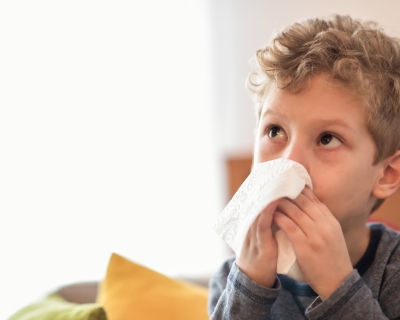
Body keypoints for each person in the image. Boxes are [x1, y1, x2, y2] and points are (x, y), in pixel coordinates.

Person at [208, 14, 400, 319]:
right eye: (275, 131)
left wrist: (338, 285)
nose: (289, 162)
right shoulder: (231, 279)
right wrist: (249, 285)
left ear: (387, 174)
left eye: (327, 138)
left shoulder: (393, 273)